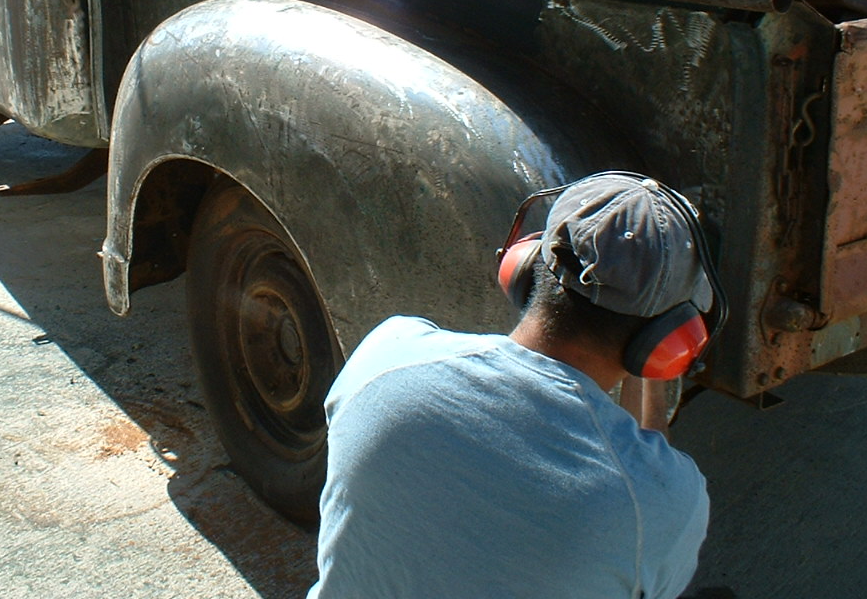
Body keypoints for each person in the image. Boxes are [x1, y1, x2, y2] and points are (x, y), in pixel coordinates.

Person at [308, 172, 719, 599]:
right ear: (670, 340)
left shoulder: (384, 354)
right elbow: (646, 471)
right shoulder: (664, 503)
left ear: (523, 264)